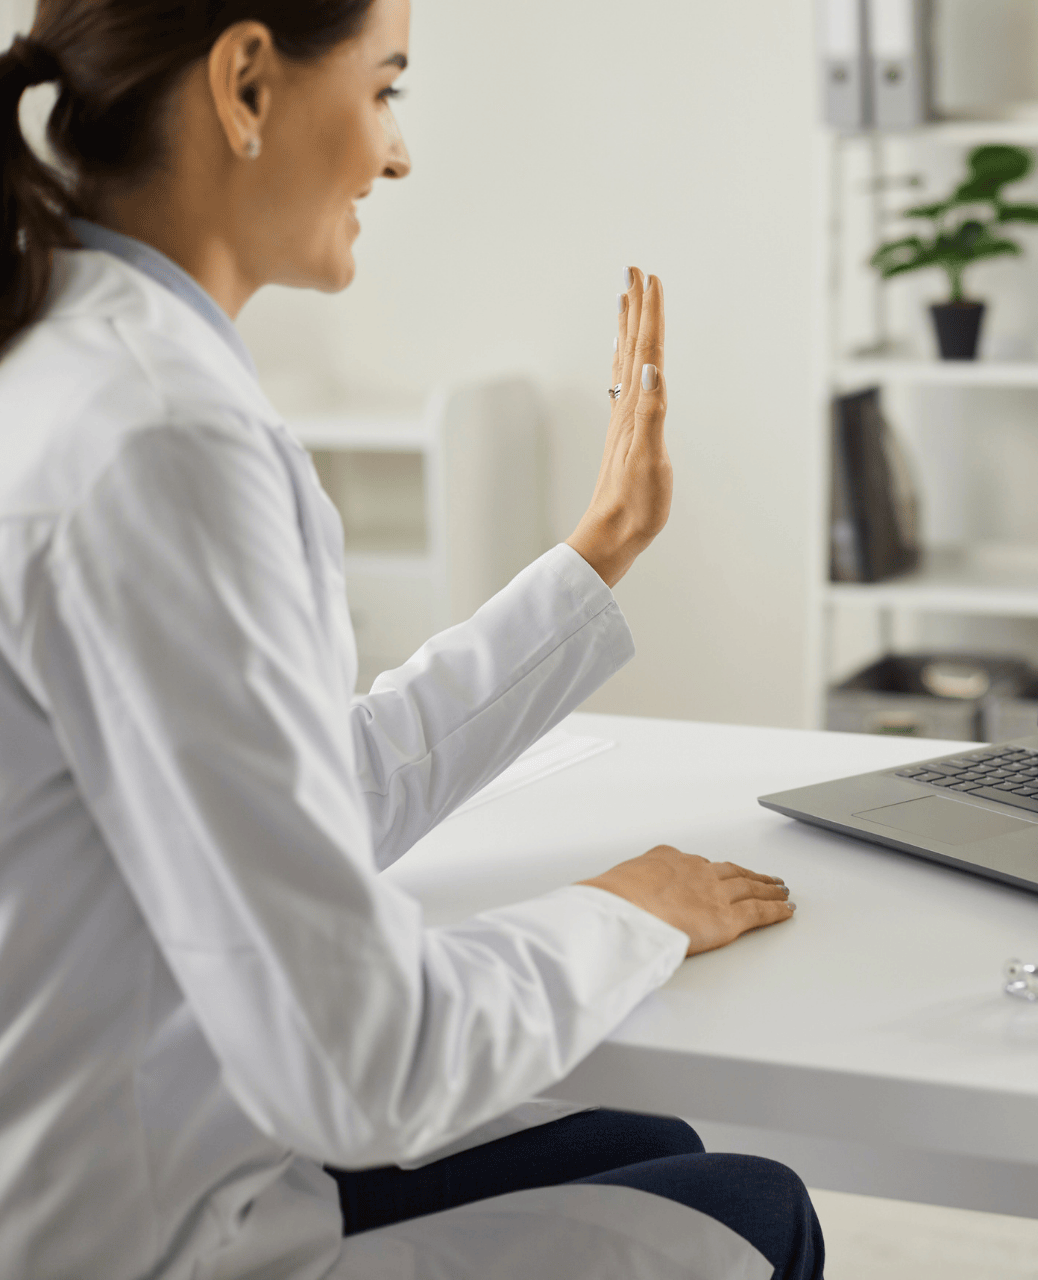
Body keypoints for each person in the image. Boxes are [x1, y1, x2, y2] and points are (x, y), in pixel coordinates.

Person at [0, 3, 821, 1278]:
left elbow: (308, 791)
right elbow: (363, 1060)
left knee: (652, 1135)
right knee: (753, 1217)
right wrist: (621, 911)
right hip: (138, 1236)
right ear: (247, 86)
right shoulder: (158, 437)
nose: (396, 154)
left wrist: (596, 551)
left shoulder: (78, 356)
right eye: (384, 89)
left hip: (148, 1154)